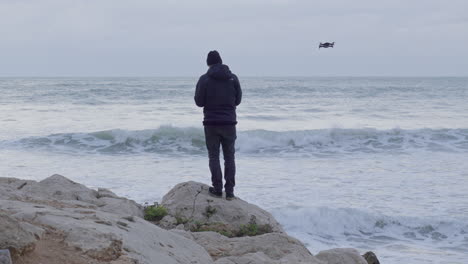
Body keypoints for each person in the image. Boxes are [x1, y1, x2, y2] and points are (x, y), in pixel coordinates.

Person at [194, 50, 242, 200]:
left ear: (208, 63)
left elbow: (199, 102)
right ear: (221, 61)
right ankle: (230, 191)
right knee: (230, 157)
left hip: (211, 123)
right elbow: (238, 100)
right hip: (229, 123)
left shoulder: (204, 79)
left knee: (213, 157)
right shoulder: (233, 78)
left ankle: (217, 188)